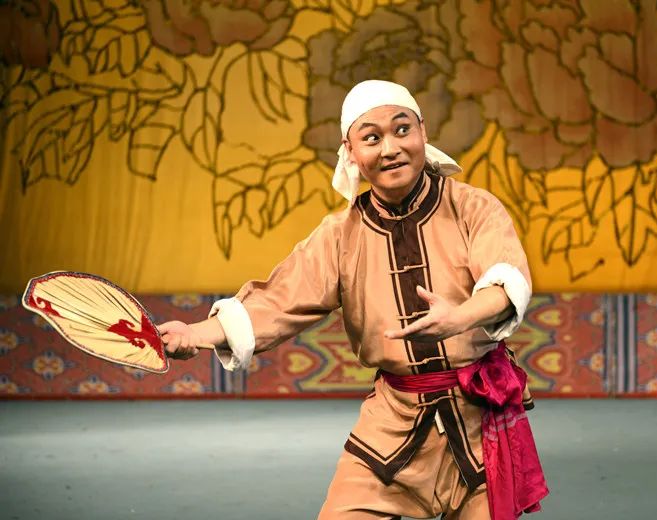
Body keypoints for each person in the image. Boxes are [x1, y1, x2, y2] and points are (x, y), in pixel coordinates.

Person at [160, 80, 548, 519]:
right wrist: (194, 332)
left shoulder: (474, 208)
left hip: (479, 419)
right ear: (350, 151)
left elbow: (504, 283)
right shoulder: (339, 235)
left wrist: (459, 318)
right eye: (372, 138)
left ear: (422, 131)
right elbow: (274, 303)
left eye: (402, 130)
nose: (390, 148)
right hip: (394, 422)